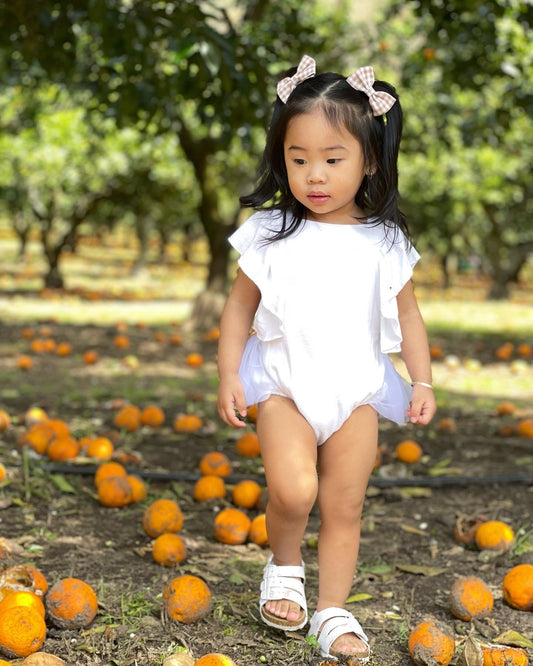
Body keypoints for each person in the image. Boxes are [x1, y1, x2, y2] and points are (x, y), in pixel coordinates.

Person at [217, 55, 436, 663]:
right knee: (294, 491)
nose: (314, 175)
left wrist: (420, 378)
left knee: (344, 504)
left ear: (368, 159)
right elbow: (238, 309)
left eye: (332, 160)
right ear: (280, 155)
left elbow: (409, 316)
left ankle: (333, 611)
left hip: (358, 390)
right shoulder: (270, 232)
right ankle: (284, 565)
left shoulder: (386, 241)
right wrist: (229, 373)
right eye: (298, 158)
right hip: (285, 385)